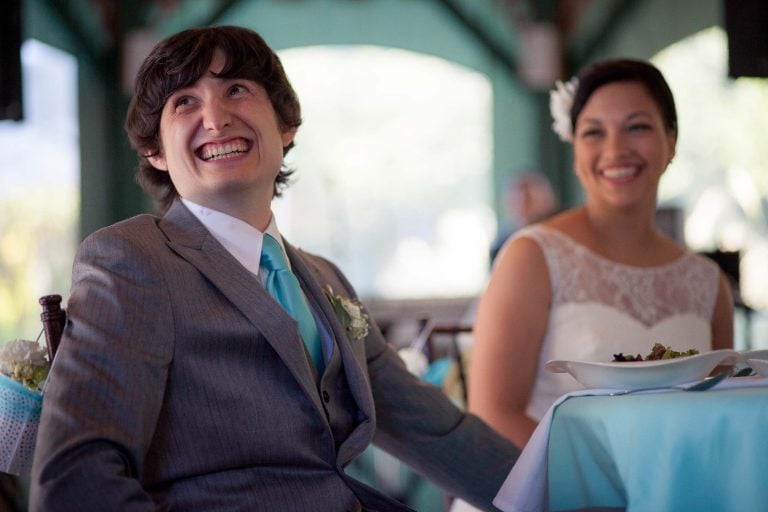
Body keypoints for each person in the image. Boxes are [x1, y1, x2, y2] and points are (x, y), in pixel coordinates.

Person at [29, 26, 519, 511]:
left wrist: (569, 494)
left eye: (236, 90)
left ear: (286, 126)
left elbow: (434, 431)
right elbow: (77, 475)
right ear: (154, 151)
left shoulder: (324, 278)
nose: (216, 118)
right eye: (184, 102)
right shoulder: (132, 259)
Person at [467, 59, 734, 450]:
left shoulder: (708, 284)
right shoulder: (532, 257)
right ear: (575, 150)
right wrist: (605, 487)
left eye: (637, 126)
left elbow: (723, 411)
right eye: (593, 132)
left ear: (671, 140)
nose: (616, 149)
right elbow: (493, 414)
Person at [489, 170, 559, 265]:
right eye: (517, 198)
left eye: (529, 198)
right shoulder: (501, 245)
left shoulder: (562, 232)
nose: (523, 203)